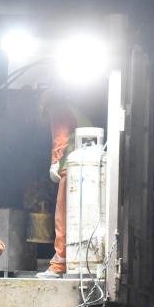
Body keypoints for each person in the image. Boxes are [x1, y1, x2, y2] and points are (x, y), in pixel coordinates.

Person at [38, 94, 90, 278]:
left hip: (73, 168)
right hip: (88, 169)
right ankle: (78, 260)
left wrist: (55, 163)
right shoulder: (73, 109)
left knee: (63, 216)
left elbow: (60, 139)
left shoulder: (58, 109)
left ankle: (59, 264)